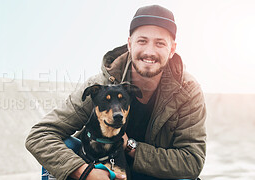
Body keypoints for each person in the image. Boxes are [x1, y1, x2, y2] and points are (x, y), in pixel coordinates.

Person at [25, 4, 206, 180]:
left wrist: (131, 147)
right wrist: (85, 172)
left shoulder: (187, 91)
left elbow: (192, 161)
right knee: (66, 146)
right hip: (98, 168)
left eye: (160, 43)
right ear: (129, 44)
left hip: (153, 174)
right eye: (142, 41)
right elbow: (40, 135)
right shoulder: (101, 85)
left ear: (172, 49)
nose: (149, 51)